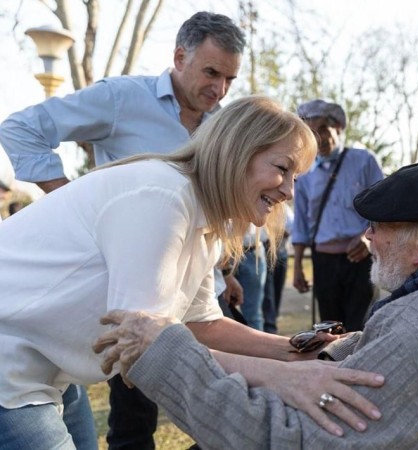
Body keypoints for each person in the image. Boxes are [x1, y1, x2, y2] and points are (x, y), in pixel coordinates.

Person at [0, 96, 386, 449]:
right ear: (237, 152)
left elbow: (201, 324)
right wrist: (279, 377)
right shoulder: (162, 197)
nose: (289, 192)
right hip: (11, 368)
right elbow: (139, 345)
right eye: (283, 169)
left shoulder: (204, 220)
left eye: (296, 178)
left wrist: (292, 351)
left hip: (48, 371)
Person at [94, 160, 418, 449]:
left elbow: (289, 440)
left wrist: (167, 355)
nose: (367, 238)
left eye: (378, 226)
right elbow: (394, 350)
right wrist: (321, 353)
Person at [0, 11, 246, 448]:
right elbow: (20, 129)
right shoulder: (121, 99)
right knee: (132, 418)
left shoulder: (221, 128)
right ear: (179, 56)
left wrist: (224, 271)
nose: (219, 89)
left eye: (229, 79)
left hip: (169, 293)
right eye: (211, 72)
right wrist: (69, 199)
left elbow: (205, 217)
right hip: (111, 296)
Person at [292, 99, 383, 331]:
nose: (319, 137)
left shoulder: (364, 161)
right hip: (324, 262)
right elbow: (301, 221)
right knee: (329, 329)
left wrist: (366, 238)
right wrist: (298, 266)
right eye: (312, 132)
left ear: (338, 128)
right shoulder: (303, 172)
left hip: (360, 260)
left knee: (361, 326)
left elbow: (383, 209)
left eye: (323, 128)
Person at [263, 202, 294, 333]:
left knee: (277, 290)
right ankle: (270, 327)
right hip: (266, 251)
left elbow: (292, 228)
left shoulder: (284, 209)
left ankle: (272, 321)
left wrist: (277, 230)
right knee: (268, 294)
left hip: (280, 252)